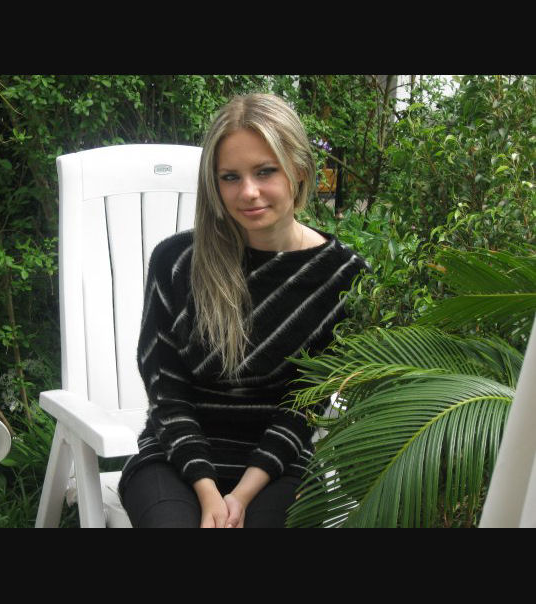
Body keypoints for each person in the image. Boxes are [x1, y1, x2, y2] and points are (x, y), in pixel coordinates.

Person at [118, 93, 368, 528]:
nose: (248, 192)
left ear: (299, 169)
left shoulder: (341, 277)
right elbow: (167, 393)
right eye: (230, 177)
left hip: (279, 465)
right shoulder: (177, 263)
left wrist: (241, 495)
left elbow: (303, 408)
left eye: (265, 171)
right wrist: (208, 492)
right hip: (175, 460)